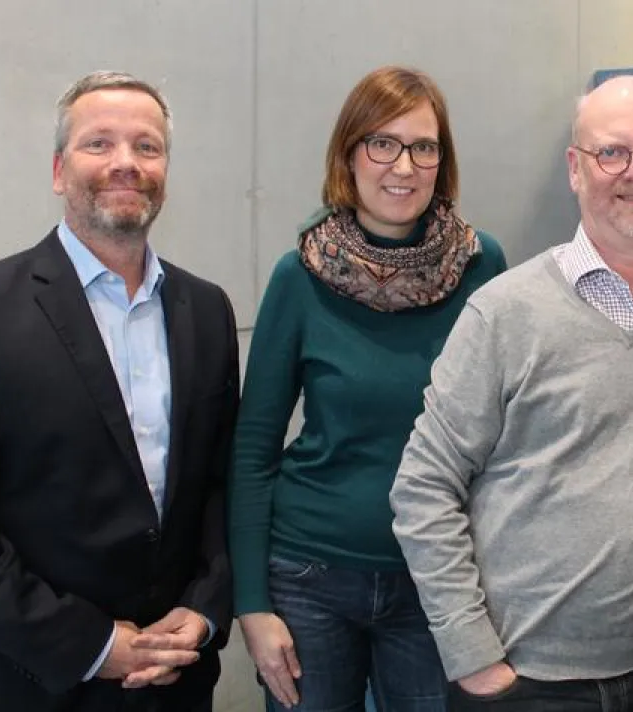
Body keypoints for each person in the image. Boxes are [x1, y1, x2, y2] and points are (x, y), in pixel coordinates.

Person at [389, 74, 633, 712]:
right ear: (574, 168)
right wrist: (472, 656)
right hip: (523, 685)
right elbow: (424, 485)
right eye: (612, 152)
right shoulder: (505, 312)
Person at [0, 71, 238, 711]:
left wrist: (204, 612)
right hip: (13, 683)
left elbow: (220, 488)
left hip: (169, 685)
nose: (126, 163)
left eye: (147, 147)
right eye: (99, 144)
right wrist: (87, 643)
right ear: (60, 170)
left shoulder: (207, 309)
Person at [229, 65, 507, 712]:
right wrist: (251, 605)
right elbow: (252, 449)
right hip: (309, 578)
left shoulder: (482, 265)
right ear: (349, 155)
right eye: (382, 143)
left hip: (437, 579)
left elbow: (510, 429)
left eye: (423, 147)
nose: (403, 166)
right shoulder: (300, 275)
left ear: (443, 161)